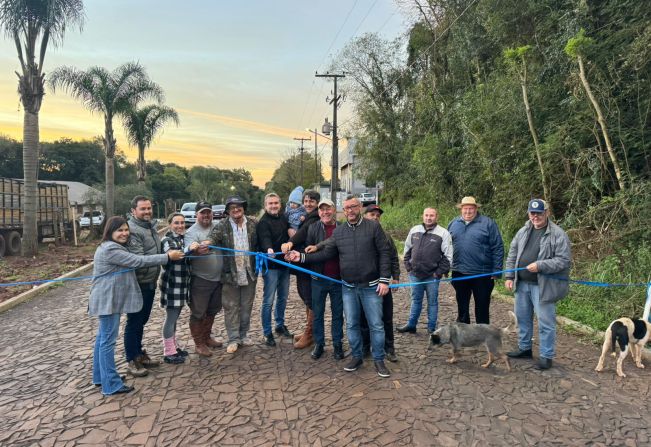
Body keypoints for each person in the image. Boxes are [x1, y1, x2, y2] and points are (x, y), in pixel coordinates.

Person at [288, 197, 393, 378]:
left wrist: (384, 279)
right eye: (347, 208)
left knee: (376, 324)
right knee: (351, 324)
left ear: (359, 207)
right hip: (348, 286)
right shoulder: (340, 231)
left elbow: (384, 252)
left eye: (353, 207)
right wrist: (302, 257)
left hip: (371, 286)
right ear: (343, 211)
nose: (350, 211)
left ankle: (378, 359)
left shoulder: (373, 226)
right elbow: (327, 250)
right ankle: (357, 356)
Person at [90, 216, 183, 395]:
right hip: (108, 302)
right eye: (120, 230)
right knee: (107, 341)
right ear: (110, 232)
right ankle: (111, 384)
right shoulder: (111, 249)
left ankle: (100, 377)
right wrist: (167, 257)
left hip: (108, 300)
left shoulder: (110, 246)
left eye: (126, 230)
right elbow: (138, 261)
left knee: (102, 339)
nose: (124, 233)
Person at [505, 199, 571, 370]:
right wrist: (509, 276)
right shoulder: (523, 230)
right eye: (532, 213)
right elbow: (513, 253)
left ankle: (546, 356)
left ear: (546, 213)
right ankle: (524, 348)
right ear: (529, 213)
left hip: (544, 286)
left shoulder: (558, 234)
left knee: (546, 322)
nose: (535, 217)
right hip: (522, 284)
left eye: (539, 213)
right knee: (523, 319)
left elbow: (563, 261)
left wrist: (541, 265)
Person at [206, 195, 258, 354]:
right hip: (230, 274)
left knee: (246, 306)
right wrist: (206, 244)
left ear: (243, 208)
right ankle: (233, 338)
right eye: (232, 207)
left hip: (250, 272)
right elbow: (212, 238)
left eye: (239, 206)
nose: (236, 209)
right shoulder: (222, 226)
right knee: (231, 307)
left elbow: (263, 239)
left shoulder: (253, 223)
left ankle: (243, 335)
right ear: (228, 211)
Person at [447, 196, 504, 325]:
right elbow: (445, 247)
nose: (468, 212)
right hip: (459, 272)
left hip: (482, 273)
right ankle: (463, 330)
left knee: (482, 306)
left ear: (476, 209)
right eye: (465, 209)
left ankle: (482, 334)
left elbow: (498, 247)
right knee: (462, 306)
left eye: (471, 209)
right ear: (461, 209)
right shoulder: (453, 223)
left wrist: (497, 270)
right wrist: (445, 267)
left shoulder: (488, 223)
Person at [397, 207, 452, 335]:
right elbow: (407, 249)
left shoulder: (443, 233)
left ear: (436, 217)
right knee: (416, 300)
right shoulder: (414, 230)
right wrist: (408, 267)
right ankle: (412, 325)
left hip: (432, 276)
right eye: (426, 215)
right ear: (423, 216)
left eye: (431, 215)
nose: (429, 218)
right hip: (415, 274)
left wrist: (438, 272)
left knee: (432, 302)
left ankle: (431, 328)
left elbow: (448, 256)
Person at [124, 195, 163, 377]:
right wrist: (167, 257)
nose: (147, 211)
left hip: (150, 282)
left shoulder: (150, 227)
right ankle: (132, 359)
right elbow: (139, 260)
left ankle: (139, 354)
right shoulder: (133, 230)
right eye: (143, 209)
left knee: (142, 320)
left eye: (149, 208)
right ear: (134, 211)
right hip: (137, 283)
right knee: (134, 322)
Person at [303, 198, 345, 360]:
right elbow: (308, 252)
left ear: (334, 210)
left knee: (337, 314)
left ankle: (337, 344)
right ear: (318, 212)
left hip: (338, 279)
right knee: (318, 313)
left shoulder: (342, 228)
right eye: (322, 209)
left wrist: (319, 249)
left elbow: (339, 251)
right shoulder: (313, 228)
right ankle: (319, 344)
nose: (325, 212)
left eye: (328, 209)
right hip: (318, 279)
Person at [281, 189, 321, 349]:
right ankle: (310, 330)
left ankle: (310, 334)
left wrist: (290, 243)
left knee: (310, 298)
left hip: (309, 264)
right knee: (305, 296)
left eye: (311, 201)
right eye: (306, 201)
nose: (308, 204)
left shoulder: (315, 217)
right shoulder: (306, 216)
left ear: (317, 203)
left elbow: (303, 233)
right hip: (302, 263)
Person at [360, 205, 400, 362]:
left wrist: (395, 276)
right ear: (365, 216)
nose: (375, 217)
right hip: (364, 284)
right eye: (372, 214)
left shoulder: (386, 236)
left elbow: (394, 257)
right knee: (363, 318)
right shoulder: (359, 234)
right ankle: (365, 346)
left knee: (387, 317)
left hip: (383, 284)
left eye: (378, 215)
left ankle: (389, 347)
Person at [184, 201, 224, 357]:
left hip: (218, 279)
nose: (206, 215)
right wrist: (195, 249)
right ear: (196, 215)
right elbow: (188, 249)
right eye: (203, 213)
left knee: (213, 310)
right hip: (201, 279)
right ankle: (198, 343)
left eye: (209, 212)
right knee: (198, 313)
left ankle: (207, 337)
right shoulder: (191, 232)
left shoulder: (218, 226)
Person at [159, 213, 198, 364]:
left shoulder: (182, 239)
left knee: (174, 319)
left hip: (182, 286)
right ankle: (168, 352)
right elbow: (174, 255)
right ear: (170, 224)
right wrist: (190, 248)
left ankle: (173, 347)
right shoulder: (167, 240)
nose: (180, 225)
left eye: (182, 223)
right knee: (170, 319)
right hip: (171, 286)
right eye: (176, 223)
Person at [257, 193, 293, 347]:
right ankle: (267, 331)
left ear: (280, 204)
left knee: (283, 297)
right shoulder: (263, 222)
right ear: (266, 205)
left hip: (284, 265)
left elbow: (289, 233)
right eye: (270, 203)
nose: (273, 206)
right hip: (270, 266)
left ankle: (279, 324)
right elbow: (264, 238)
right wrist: (268, 249)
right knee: (268, 300)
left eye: (276, 203)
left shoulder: (284, 218)